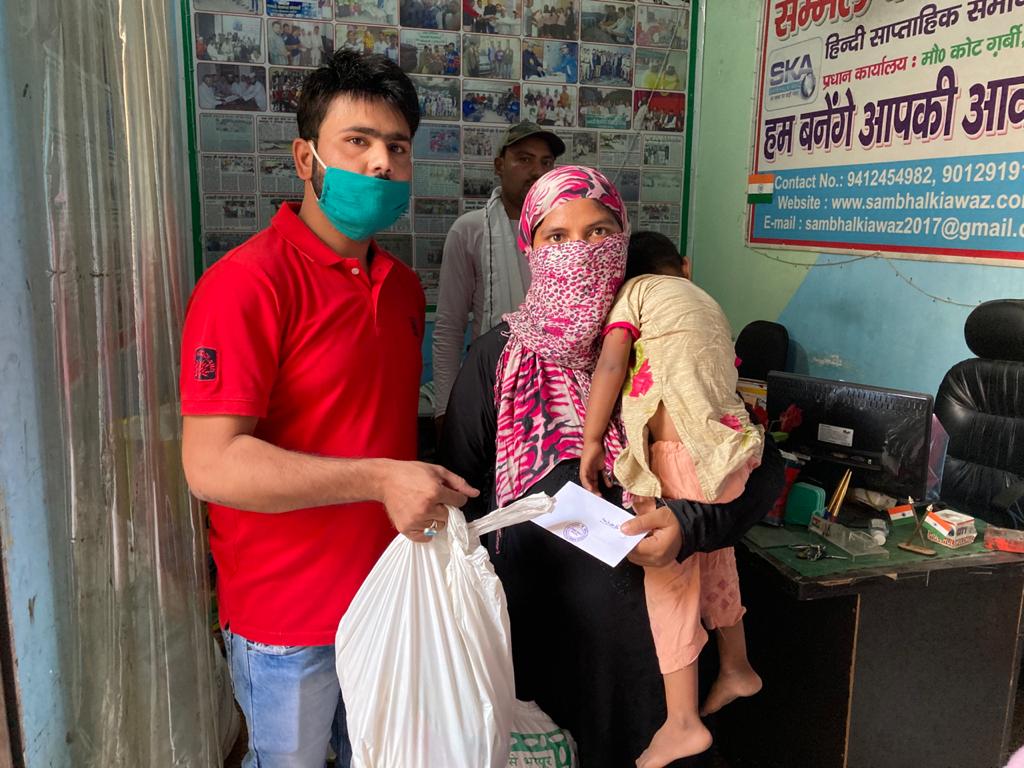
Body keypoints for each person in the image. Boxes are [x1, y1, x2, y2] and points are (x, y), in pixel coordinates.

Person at [180, 51, 477, 768]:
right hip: (286, 622)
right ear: (305, 157)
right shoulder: (246, 284)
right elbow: (211, 466)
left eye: (397, 147)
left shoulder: (401, 289)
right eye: (358, 141)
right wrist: (380, 478)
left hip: (389, 599)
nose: (380, 163)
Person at [438, 166, 785, 767]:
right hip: (540, 650)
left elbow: (758, 465)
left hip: (660, 663)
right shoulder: (495, 358)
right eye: (557, 236)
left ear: (623, 239)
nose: (580, 251)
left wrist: (689, 526)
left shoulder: (666, 337)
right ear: (530, 250)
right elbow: (459, 503)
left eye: (599, 232)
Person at [580, 230, 764, 767]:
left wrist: (592, 441)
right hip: (729, 451)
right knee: (716, 553)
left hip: (678, 456)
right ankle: (736, 664)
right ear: (683, 266)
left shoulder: (633, 295)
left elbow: (612, 363)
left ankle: (682, 721)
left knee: (669, 581)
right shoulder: (704, 299)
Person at [431, 121, 564, 431]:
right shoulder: (470, 230)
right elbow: (449, 328)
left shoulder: (566, 231)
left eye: (546, 162)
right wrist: (444, 409)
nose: (537, 171)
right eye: (524, 159)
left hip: (556, 395)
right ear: (499, 165)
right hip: (490, 389)